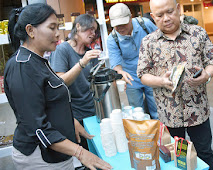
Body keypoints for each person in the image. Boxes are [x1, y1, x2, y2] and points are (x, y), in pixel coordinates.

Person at [4, 3, 112, 170]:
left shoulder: (38, 60)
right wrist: (81, 153)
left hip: (57, 153)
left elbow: (50, 99)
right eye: (52, 28)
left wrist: (70, 121)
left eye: (58, 27)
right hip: (40, 157)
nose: (57, 34)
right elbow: (37, 128)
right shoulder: (22, 66)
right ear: (30, 30)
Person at [137, 0, 213, 169]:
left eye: (169, 12)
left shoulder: (198, 34)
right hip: (169, 114)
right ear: (153, 17)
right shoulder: (148, 42)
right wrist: (160, 81)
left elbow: (212, 62)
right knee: (177, 157)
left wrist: (207, 75)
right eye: (159, 15)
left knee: (204, 152)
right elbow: (142, 75)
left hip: (198, 111)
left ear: (178, 8)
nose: (166, 18)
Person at [50, 14, 101, 150]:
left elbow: (97, 82)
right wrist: (82, 62)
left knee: (97, 149)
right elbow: (60, 82)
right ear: (78, 26)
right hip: (74, 114)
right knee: (84, 151)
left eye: (95, 30)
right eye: (90, 29)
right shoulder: (62, 50)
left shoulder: (90, 53)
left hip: (94, 111)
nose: (93, 33)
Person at [107, 3, 158, 119]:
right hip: (131, 78)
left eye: (123, 23)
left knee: (157, 109)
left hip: (152, 74)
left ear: (130, 17)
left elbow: (160, 39)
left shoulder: (144, 24)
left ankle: (161, 133)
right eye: (116, 25)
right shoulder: (112, 39)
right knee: (137, 112)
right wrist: (121, 73)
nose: (120, 28)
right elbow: (116, 64)